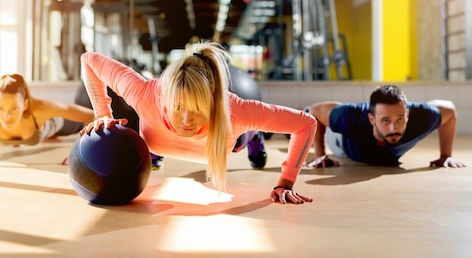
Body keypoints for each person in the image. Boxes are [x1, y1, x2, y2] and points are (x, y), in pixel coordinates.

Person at [80, 41, 317, 204]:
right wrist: (102, 114)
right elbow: (89, 60)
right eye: (178, 107)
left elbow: (306, 124)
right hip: (157, 140)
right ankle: (157, 152)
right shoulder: (144, 94)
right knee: (152, 140)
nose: (186, 120)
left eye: (197, 109)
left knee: (244, 136)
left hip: (230, 140)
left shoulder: (236, 112)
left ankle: (255, 138)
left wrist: (285, 182)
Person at [305, 84, 466, 169]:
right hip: (341, 143)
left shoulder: (421, 117)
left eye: (400, 119)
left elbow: (449, 110)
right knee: (307, 118)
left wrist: (446, 155)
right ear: (372, 119)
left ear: (408, 115)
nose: (393, 129)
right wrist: (320, 154)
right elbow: (316, 111)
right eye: (386, 120)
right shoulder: (351, 116)